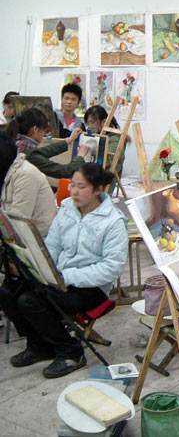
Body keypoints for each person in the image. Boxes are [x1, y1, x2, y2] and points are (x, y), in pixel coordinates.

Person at [0, 163, 128, 378]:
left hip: (91, 288)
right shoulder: (67, 209)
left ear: (98, 189)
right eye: (72, 185)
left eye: (82, 187)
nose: (74, 191)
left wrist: (65, 277)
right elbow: (52, 245)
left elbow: (111, 268)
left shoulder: (113, 221)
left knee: (30, 301)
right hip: (58, 277)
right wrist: (43, 267)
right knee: (8, 292)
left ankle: (71, 351)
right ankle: (39, 345)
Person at [0, 132, 56, 236]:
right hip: (18, 235)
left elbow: (17, 224)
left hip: (38, 239)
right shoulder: (7, 171)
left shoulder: (25, 175)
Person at [7, 107, 87, 179]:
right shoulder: (28, 154)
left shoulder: (17, 143)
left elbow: (44, 151)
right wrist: (80, 156)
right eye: (44, 131)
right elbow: (64, 171)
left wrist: (69, 140)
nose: (44, 134)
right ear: (35, 129)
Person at [83, 105, 126, 174]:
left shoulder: (115, 139)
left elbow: (103, 162)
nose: (89, 127)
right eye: (88, 123)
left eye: (92, 122)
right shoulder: (96, 137)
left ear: (104, 122)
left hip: (105, 177)